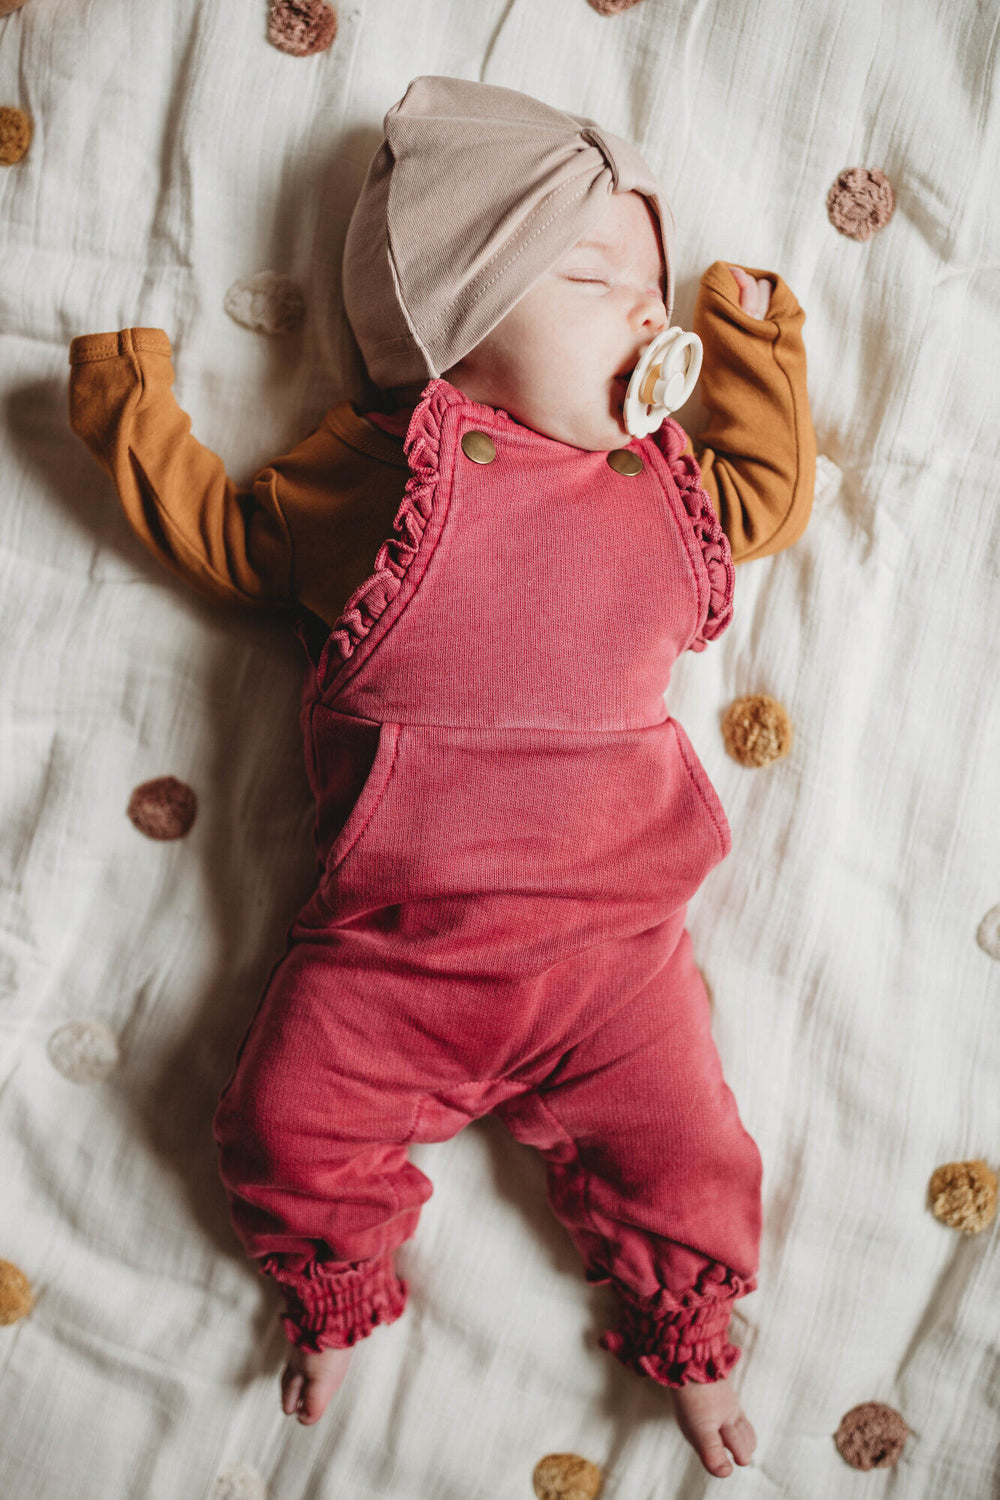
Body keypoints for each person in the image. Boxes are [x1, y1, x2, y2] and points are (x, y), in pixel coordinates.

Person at [67, 75, 815, 1480]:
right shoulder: (369, 486)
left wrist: (755, 341)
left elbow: (767, 499)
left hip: (616, 958)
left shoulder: (657, 489)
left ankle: (693, 1331)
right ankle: (335, 1290)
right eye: (596, 277)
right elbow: (224, 541)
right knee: (281, 1120)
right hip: (394, 957)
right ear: (449, 326)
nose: (647, 313)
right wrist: (129, 408)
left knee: (690, 1146)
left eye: (655, 286)